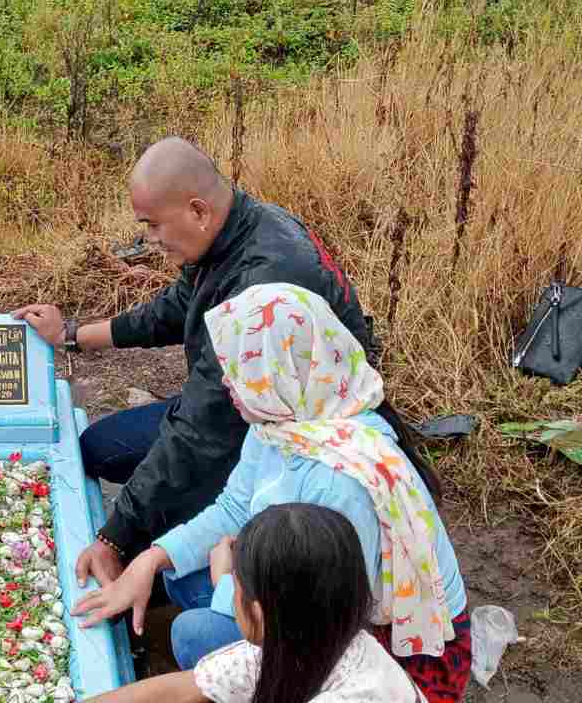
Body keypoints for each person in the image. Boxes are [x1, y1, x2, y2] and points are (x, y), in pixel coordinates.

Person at [73, 285, 470, 703]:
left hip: (376, 646)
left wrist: (226, 582)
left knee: (197, 632)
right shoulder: (285, 421)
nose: (226, 381)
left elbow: (322, 622)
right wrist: (150, 560)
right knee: (176, 570)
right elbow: (233, 506)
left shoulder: (339, 484)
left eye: (242, 368)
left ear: (280, 370)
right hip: (311, 607)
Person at [12, 137, 376, 589]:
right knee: (100, 447)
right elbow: (179, 306)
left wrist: (115, 539)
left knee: (182, 579)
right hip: (240, 409)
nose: (150, 241)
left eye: (152, 226)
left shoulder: (261, 281)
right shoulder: (234, 229)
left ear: (198, 211)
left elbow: (200, 431)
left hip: (291, 436)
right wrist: (71, 335)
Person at [76, 504, 424, 703]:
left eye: (234, 584)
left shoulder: (355, 694)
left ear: (256, 610)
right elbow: (176, 691)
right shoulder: (306, 639)